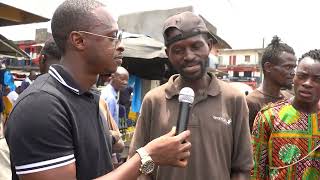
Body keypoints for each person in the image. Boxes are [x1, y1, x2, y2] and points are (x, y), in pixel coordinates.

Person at [5, 1, 192, 180]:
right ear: (78, 40)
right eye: (112, 36)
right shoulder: (41, 106)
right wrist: (147, 156)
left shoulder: (88, 97)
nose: (121, 46)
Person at [129, 11, 252, 180]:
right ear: (168, 54)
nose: (188, 56)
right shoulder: (154, 100)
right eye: (178, 50)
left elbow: (241, 168)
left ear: (209, 45)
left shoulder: (234, 99)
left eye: (196, 46)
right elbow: (140, 164)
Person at [251, 49, 320, 179]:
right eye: (302, 76)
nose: (307, 83)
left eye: (317, 79)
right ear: (294, 77)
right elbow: (255, 171)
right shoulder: (268, 117)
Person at [246, 36, 297, 131]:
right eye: (288, 67)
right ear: (268, 67)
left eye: (294, 67)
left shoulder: (290, 99)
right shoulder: (251, 103)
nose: (293, 72)